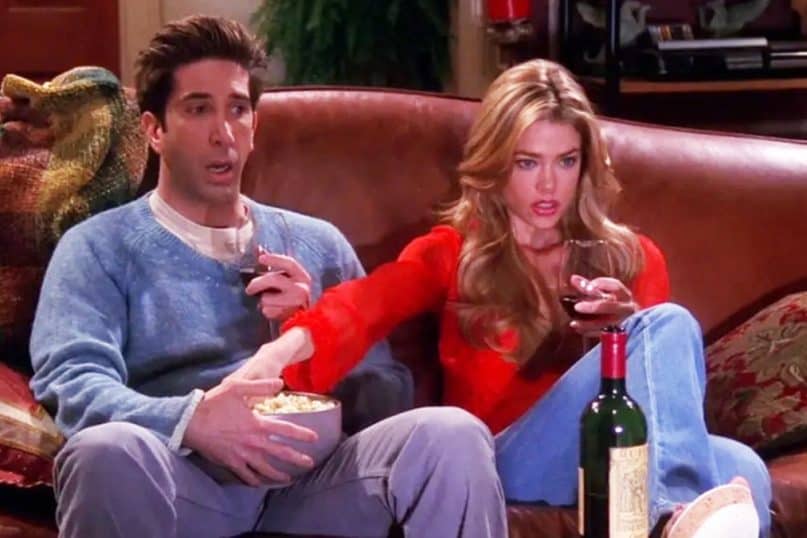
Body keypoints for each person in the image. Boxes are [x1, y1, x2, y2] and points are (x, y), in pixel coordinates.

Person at [235, 59, 773, 537]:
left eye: (566, 161)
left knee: (742, 467)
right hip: (505, 459)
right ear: (497, 164)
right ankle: (671, 517)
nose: (549, 186)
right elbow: (363, 307)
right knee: (669, 324)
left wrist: (620, 334)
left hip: (605, 454)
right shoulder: (455, 252)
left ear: (586, 166)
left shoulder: (633, 261)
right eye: (527, 162)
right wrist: (275, 357)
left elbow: (662, 411)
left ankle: (676, 515)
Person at [28, 15, 507, 538]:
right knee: (103, 451)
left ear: (254, 126)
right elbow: (72, 384)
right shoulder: (98, 247)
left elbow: (387, 397)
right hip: (185, 481)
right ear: (154, 131)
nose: (223, 134)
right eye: (198, 109)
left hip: (317, 484)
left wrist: (316, 335)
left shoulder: (320, 244)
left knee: (452, 434)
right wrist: (192, 422)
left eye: (237, 110)